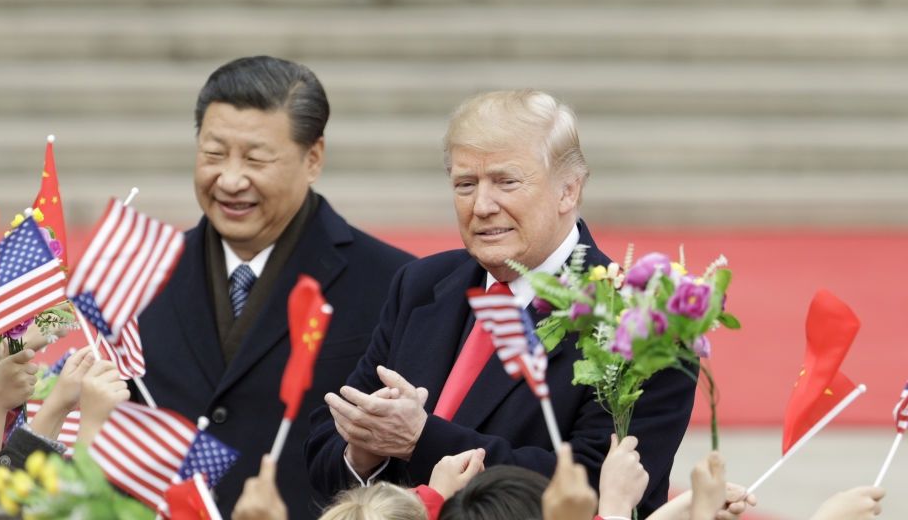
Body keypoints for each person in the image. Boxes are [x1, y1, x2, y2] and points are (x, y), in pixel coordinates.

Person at [305, 90, 695, 517]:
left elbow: (594, 489)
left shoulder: (641, 323)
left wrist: (422, 439)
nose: (482, 206)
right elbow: (325, 447)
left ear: (568, 190)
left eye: (506, 182)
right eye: (465, 185)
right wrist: (363, 454)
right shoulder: (421, 284)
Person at [137, 55, 413, 518]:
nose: (230, 180)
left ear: (313, 158)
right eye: (213, 154)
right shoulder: (142, 271)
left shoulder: (393, 283)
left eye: (255, 158)